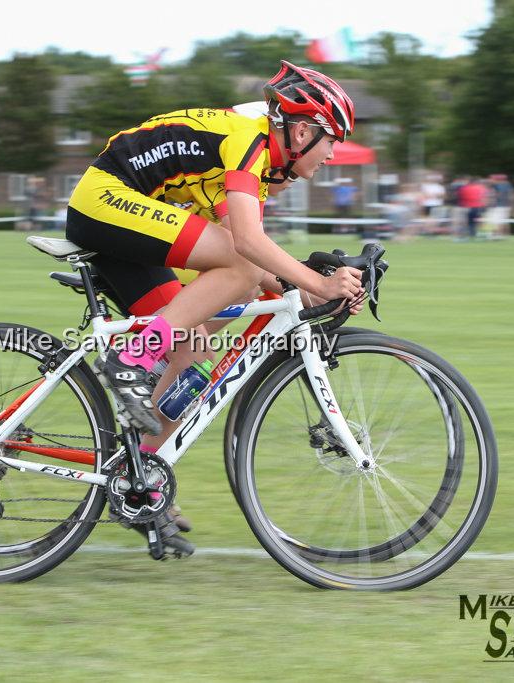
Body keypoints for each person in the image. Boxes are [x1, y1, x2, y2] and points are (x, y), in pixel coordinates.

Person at [66, 61, 366, 557]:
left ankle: (137, 479)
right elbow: (247, 246)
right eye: (331, 139)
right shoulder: (248, 138)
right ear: (302, 130)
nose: (333, 154)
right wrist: (314, 281)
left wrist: (308, 293)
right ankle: (130, 358)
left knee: (194, 348)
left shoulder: (258, 165)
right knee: (239, 272)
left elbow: (247, 256)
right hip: (105, 200)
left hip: (127, 224)